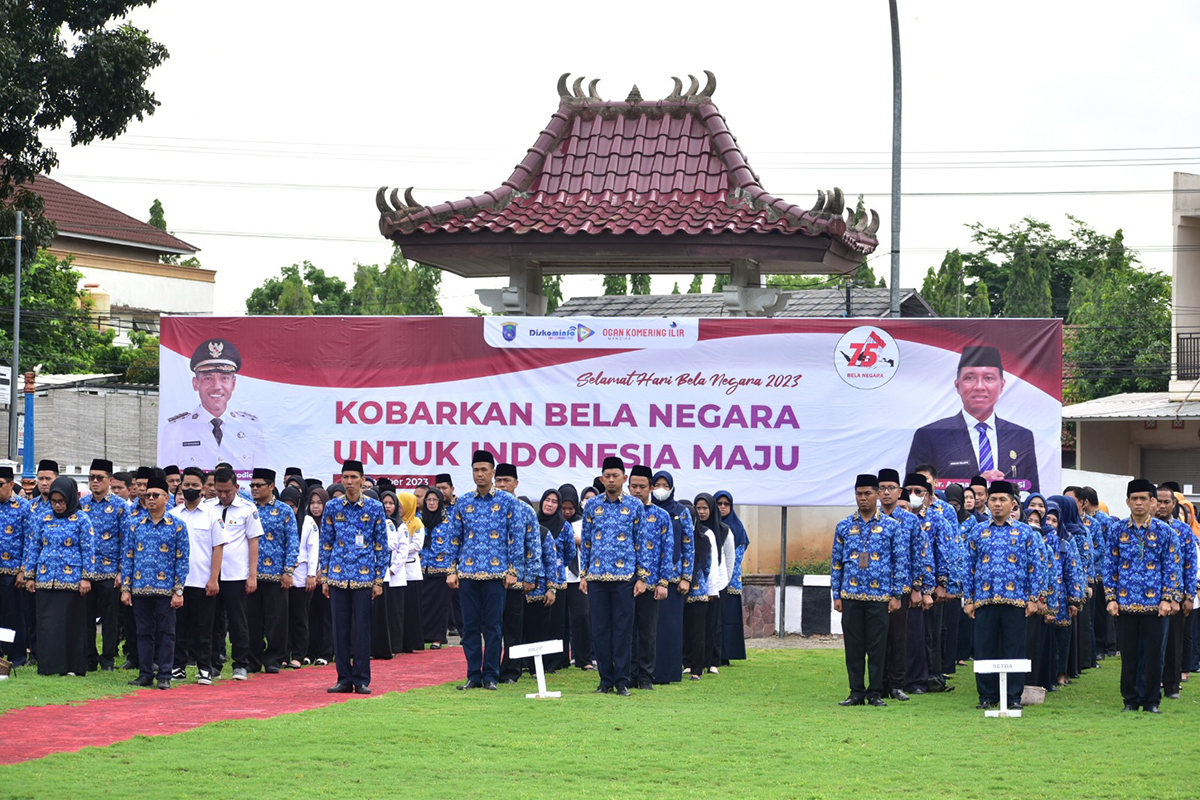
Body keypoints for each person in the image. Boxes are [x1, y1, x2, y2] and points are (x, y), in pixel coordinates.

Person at [905, 345, 1040, 493]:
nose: (979, 386)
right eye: (970, 378)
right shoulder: (931, 435)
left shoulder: (1021, 437)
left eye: (989, 378)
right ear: (958, 385)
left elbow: (1032, 496)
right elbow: (913, 492)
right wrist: (976, 487)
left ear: (1001, 385)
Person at [962, 480, 1045, 711]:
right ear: (987, 502)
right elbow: (968, 567)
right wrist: (968, 600)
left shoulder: (1025, 532)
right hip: (984, 600)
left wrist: (1033, 598)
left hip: (1016, 601)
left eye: (1003, 500)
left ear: (1013, 503)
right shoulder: (978, 531)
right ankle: (987, 696)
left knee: (1014, 648)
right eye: (994, 500)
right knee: (984, 647)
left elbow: (1035, 567)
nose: (997, 504)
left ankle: (1013, 696)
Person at [445, 450, 523, 691]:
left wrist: (514, 570)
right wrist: (451, 569)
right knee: (469, 627)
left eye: (484, 470)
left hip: (496, 574)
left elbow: (516, 538)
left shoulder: (507, 501)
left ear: (493, 472)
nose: (479, 474)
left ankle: (490, 675)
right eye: (476, 470)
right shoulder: (463, 502)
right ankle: (473, 675)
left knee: (493, 626)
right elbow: (453, 538)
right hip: (468, 574)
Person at [831, 475, 905, 707]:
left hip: (880, 596)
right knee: (853, 647)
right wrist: (836, 594)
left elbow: (899, 561)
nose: (863, 498)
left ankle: (875, 692)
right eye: (859, 494)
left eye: (867, 494)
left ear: (876, 495)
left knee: (877, 646)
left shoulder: (892, 526)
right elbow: (836, 562)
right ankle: (856, 692)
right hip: (851, 595)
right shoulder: (844, 526)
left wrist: (896, 594)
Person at [319, 460, 388, 694]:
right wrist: (325, 577)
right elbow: (326, 543)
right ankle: (343, 678)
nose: (349, 482)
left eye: (353, 477)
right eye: (345, 477)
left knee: (362, 629)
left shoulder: (374, 507)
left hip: (364, 576)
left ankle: (361, 679)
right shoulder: (332, 507)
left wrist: (379, 579)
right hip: (338, 576)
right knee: (339, 630)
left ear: (362, 479)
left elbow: (381, 545)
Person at [579, 456, 646, 696]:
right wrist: (584, 574)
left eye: (615, 475)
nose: (610, 480)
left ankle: (622, 681)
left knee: (623, 630)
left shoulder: (635, 506)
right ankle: (605, 680)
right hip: (596, 578)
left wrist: (641, 577)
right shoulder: (591, 506)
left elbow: (641, 543)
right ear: (601, 478)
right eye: (606, 476)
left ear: (624, 479)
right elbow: (585, 542)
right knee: (600, 630)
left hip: (624, 578)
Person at [119, 474, 189, 689]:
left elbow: (182, 559)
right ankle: (145, 672)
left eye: (155, 495)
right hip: (140, 588)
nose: (150, 499)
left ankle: (165, 675)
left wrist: (179, 590)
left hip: (166, 589)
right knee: (143, 632)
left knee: (167, 632)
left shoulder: (177, 525)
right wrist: (126, 588)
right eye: (148, 495)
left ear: (166, 498)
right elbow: (128, 557)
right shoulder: (135, 524)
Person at [23, 475, 96, 676]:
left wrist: (86, 577)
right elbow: (34, 547)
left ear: (71, 499)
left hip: (72, 581)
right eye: (54, 501)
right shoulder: (43, 518)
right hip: (46, 579)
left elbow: (88, 550)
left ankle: (73, 667)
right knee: (48, 625)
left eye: (61, 501)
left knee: (71, 625)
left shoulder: (81, 519)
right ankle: (49, 666)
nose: (57, 505)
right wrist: (30, 576)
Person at [160, 338, 266, 473]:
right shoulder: (174, 430)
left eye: (224, 378)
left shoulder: (252, 428)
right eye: (208, 378)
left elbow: (261, 479)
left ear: (233, 384)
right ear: (195, 383)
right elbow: (170, 481)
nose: (217, 387)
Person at [876, 468, 927, 702]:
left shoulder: (910, 521)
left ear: (899, 491)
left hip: (902, 587)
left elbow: (918, 556)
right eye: (882, 488)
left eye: (891, 488)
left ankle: (897, 684)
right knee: (877, 639)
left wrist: (917, 588)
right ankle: (878, 684)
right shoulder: (870, 518)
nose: (886, 493)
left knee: (899, 638)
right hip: (874, 588)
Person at [169, 467, 223, 684]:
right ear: (180, 487)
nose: (190, 489)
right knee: (178, 627)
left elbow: (218, 548)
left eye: (195, 486)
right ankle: (178, 666)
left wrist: (213, 579)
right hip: (178, 584)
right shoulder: (172, 515)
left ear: (203, 489)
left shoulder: (212, 515)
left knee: (204, 628)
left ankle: (205, 669)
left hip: (203, 581)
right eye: (187, 485)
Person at [209, 467, 262, 681]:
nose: (223, 495)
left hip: (236, 574)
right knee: (213, 621)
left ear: (237, 488)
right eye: (219, 491)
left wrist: (252, 575)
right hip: (212, 574)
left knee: (238, 620)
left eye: (227, 492)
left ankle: (241, 663)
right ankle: (213, 663)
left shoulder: (247, 509)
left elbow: (254, 543)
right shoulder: (207, 508)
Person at [494, 463, 542, 684]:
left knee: (513, 627)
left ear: (516, 483)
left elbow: (533, 546)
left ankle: (511, 671)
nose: (502, 485)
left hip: (515, 580)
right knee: (492, 626)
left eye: (507, 481)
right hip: (489, 577)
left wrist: (531, 576)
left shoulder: (526, 510)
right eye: (499, 481)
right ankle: (491, 669)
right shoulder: (488, 507)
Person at [79, 458, 125, 672]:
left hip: (109, 571)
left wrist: (121, 571)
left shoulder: (119, 506)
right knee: (86, 617)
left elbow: (126, 541)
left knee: (110, 619)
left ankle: (108, 658)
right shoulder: (82, 505)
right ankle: (90, 656)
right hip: (87, 573)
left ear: (110, 480)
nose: (95, 482)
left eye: (100, 478)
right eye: (91, 478)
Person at [650, 471, 694, 684]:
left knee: (670, 627)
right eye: (656, 484)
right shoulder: (647, 511)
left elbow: (688, 545)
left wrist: (686, 577)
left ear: (672, 487)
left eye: (664, 485)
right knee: (651, 628)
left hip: (675, 581)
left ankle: (669, 673)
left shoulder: (681, 512)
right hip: (650, 579)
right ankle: (648, 671)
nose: (660, 488)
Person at [628, 467, 669, 689]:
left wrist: (663, 583)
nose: (637, 491)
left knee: (647, 632)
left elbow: (666, 550)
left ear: (651, 488)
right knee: (627, 631)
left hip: (651, 584)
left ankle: (645, 676)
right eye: (633, 486)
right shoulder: (623, 513)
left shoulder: (661, 516)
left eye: (642, 487)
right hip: (624, 582)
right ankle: (629, 674)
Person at [1156, 485, 1195, 700]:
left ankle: (1171, 685)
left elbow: (1190, 564)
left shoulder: (1183, 530)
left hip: (1175, 597)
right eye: (1158, 501)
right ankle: (1150, 683)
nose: (1161, 506)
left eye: (1166, 502)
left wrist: (1189, 595)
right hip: (1145, 596)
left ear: (1174, 504)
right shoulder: (1142, 529)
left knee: (1173, 641)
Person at [537, 488, 575, 672]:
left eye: (553, 501)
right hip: (536, 581)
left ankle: (553, 662)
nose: (549, 504)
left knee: (556, 623)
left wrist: (558, 566)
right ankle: (534, 661)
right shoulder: (534, 523)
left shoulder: (564, 526)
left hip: (558, 581)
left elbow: (570, 552)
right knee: (538, 623)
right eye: (547, 500)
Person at [693, 494, 730, 676]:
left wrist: (721, 583)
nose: (701, 512)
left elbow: (727, 560)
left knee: (713, 624)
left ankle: (713, 661)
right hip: (699, 583)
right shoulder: (693, 529)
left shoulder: (721, 530)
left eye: (704, 508)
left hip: (717, 583)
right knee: (697, 626)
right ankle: (696, 661)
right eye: (698, 508)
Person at [557, 483, 592, 671]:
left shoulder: (583, 521)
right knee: (559, 620)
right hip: (559, 577)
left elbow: (587, 543)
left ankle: (583, 658)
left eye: (570, 508)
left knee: (581, 618)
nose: (568, 512)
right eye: (564, 508)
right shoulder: (554, 523)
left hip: (578, 578)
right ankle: (561, 658)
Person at [0, 466, 31, 667]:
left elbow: (30, 541)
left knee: (13, 616)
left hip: (12, 572)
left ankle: (17, 656)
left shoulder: (23, 507)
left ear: (11, 484)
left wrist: (23, 570)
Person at [714, 491, 749, 665]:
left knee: (728, 619)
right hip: (712, 582)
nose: (722, 507)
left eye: (726, 504)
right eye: (719, 503)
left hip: (730, 581)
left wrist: (725, 578)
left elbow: (736, 557)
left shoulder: (737, 527)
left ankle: (726, 654)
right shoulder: (708, 526)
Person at [684, 502, 715, 682]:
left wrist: (696, 581)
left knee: (698, 632)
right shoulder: (676, 539)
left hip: (697, 592)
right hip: (679, 592)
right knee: (683, 630)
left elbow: (707, 566)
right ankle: (685, 664)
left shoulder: (703, 539)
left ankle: (697, 668)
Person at [419, 487, 453, 649]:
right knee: (422, 604)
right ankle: (421, 635)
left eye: (435, 500)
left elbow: (453, 545)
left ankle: (437, 638)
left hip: (440, 568)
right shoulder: (418, 519)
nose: (431, 503)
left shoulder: (448, 521)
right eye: (428, 500)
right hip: (420, 568)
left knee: (440, 605)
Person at [303, 487, 333, 666]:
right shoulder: (305, 523)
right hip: (308, 577)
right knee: (310, 616)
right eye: (312, 503)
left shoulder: (330, 524)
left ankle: (326, 652)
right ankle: (310, 651)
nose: (315, 507)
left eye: (319, 503)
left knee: (326, 616)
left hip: (326, 577)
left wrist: (324, 572)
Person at [379, 489, 407, 658]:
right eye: (385, 503)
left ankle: (396, 645)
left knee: (395, 612)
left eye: (391, 503)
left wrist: (393, 568)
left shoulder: (400, 525)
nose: (388, 506)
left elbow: (403, 550)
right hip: (382, 575)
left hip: (395, 574)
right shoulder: (378, 522)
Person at [398, 492, 426, 653]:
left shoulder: (417, 523)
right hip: (398, 572)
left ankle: (412, 642)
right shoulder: (395, 523)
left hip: (411, 571)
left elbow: (417, 545)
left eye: (402, 506)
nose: (400, 509)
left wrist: (400, 549)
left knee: (412, 608)